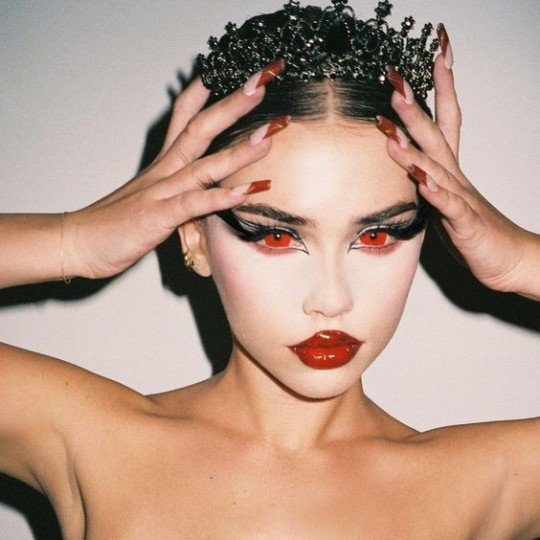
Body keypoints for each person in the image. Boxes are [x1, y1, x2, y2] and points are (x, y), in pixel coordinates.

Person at [0, 1, 538, 538]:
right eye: (278, 236)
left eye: (376, 236)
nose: (332, 300)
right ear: (195, 236)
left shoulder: (483, 480)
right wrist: (76, 240)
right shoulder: (97, 445)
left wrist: (516, 259)